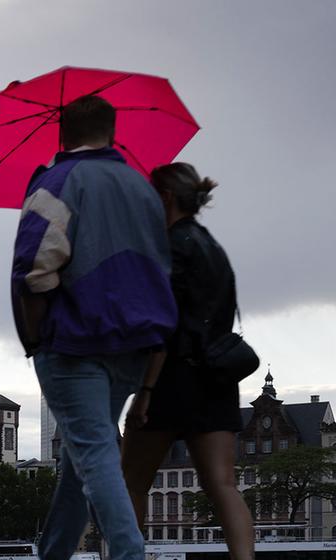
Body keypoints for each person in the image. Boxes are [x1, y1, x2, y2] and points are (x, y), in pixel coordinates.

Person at [11, 95, 177, 560]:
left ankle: (129, 554)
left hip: (75, 343)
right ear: (114, 131)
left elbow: (34, 269)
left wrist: (38, 336)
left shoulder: (57, 182)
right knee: (79, 457)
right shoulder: (142, 188)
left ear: (63, 133)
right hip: (136, 344)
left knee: (96, 455)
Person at [121, 163, 254, 560]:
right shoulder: (214, 247)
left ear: (163, 198)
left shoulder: (169, 247)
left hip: (172, 379)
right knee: (223, 484)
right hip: (218, 378)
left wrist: (144, 393)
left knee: (132, 481)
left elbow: (164, 327)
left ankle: (129, 554)